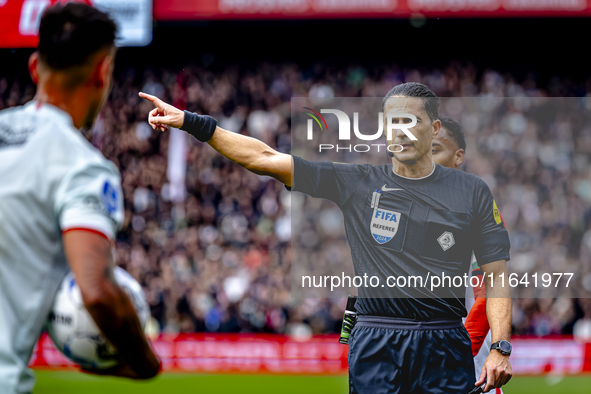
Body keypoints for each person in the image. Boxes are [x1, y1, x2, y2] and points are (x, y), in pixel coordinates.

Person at [139, 81, 512, 393]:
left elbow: (496, 275)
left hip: (443, 341)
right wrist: (194, 123)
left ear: (433, 129)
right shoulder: (357, 182)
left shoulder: (472, 192)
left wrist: (500, 347)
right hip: (377, 338)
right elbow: (264, 158)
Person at [0, 4, 160, 393]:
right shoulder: (82, 167)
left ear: (35, 66)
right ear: (102, 72)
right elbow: (98, 292)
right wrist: (145, 364)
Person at [432, 116, 505, 394]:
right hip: (415, 364)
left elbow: (488, 291)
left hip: (464, 369)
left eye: (436, 148)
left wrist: (458, 353)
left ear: (458, 156)